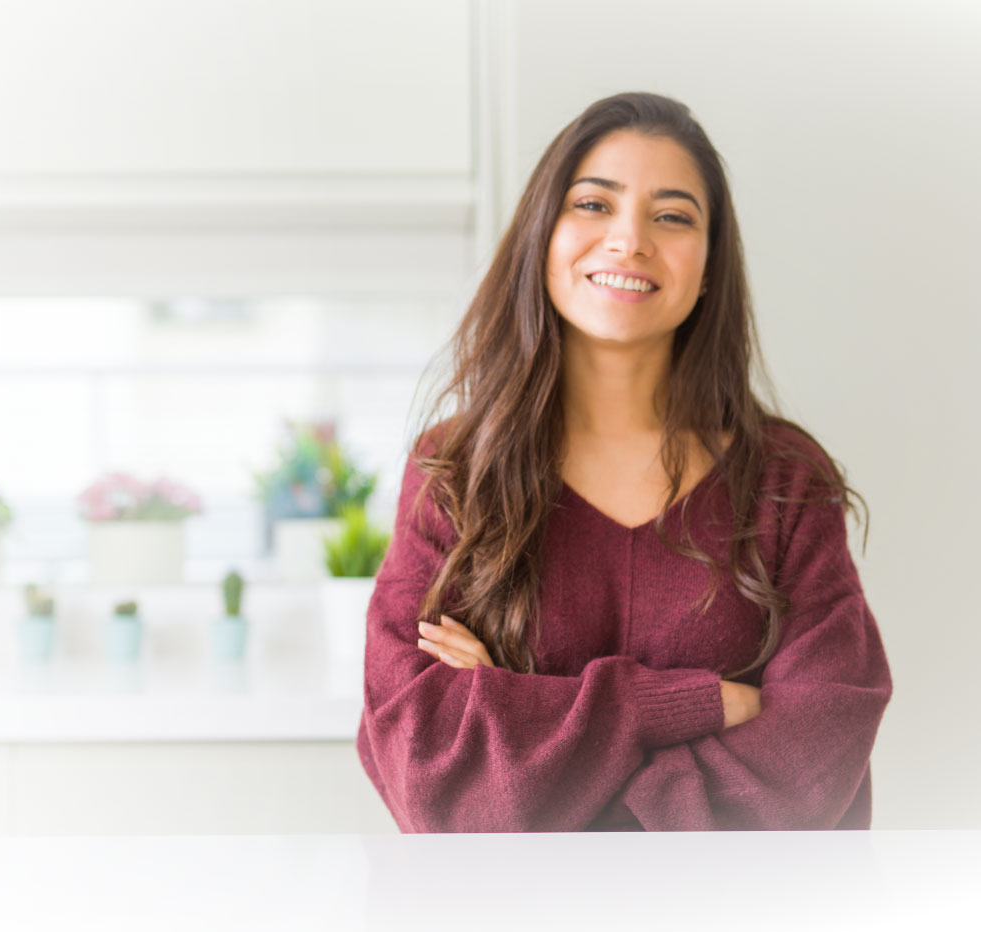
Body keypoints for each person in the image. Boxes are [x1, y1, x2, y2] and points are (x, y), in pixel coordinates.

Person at [355, 91, 893, 832]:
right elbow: (427, 770)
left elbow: (813, 763)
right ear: (541, 236)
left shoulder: (785, 484)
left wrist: (519, 720)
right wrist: (692, 703)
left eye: (672, 216)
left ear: (708, 269)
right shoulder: (456, 471)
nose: (630, 240)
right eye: (593, 204)